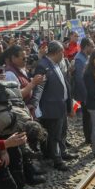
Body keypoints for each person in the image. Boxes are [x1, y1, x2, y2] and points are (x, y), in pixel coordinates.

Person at [31, 41, 73, 171]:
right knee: (54, 135)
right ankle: (57, 160)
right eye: (62, 52)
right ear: (57, 52)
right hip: (51, 108)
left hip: (60, 105)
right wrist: (34, 108)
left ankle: (62, 153)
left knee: (61, 132)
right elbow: (39, 89)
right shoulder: (43, 66)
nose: (64, 54)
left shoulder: (55, 64)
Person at [73, 38, 94, 144]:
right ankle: (88, 138)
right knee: (87, 116)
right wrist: (85, 96)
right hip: (84, 93)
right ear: (86, 47)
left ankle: (90, 137)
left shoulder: (86, 57)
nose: (93, 48)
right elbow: (79, 79)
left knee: (89, 115)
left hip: (88, 91)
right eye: (92, 46)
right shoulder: (79, 59)